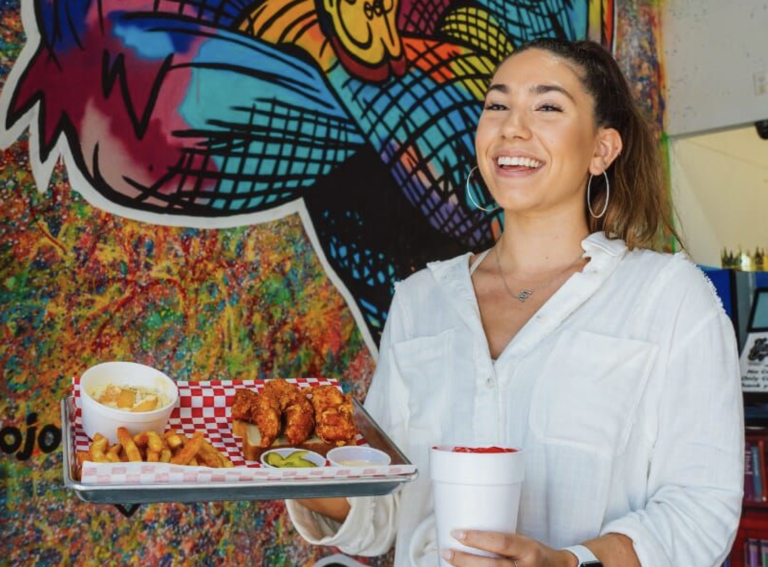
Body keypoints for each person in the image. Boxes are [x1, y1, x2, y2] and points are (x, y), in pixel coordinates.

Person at [285, 39, 744, 566]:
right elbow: (390, 510)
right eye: (497, 105)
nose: (512, 128)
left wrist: (567, 562)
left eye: (547, 107)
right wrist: (275, 463)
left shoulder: (669, 299)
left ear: (602, 149)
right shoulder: (420, 301)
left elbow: (700, 510)